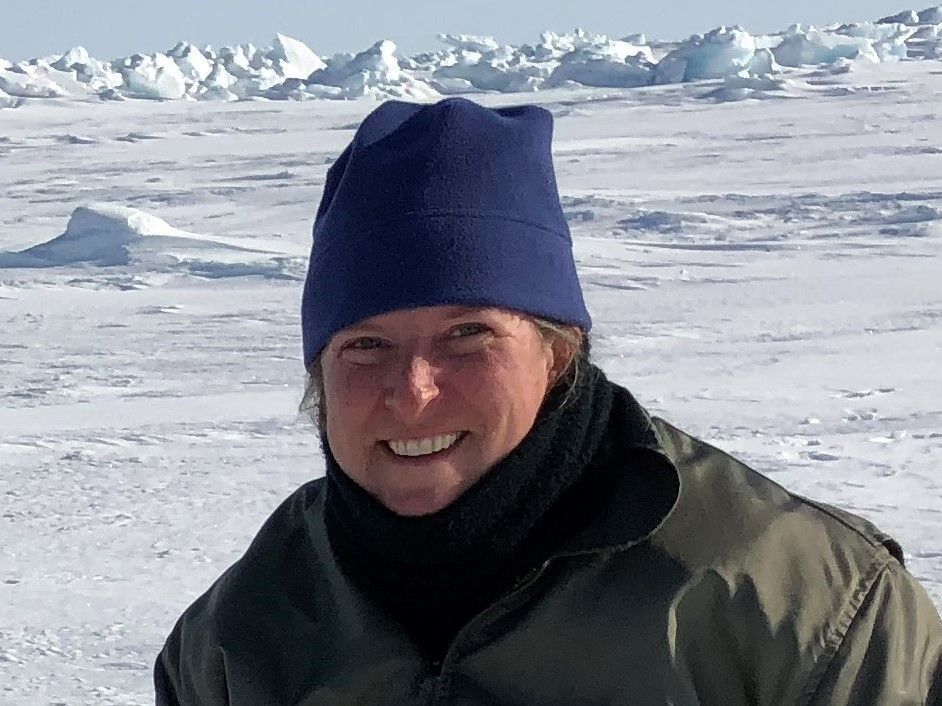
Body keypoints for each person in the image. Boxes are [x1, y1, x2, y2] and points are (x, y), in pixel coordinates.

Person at [155, 97, 942, 705]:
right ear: (318, 377)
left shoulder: (805, 609)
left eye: (468, 334)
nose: (413, 388)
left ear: (557, 352)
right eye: (365, 344)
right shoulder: (237, 635)